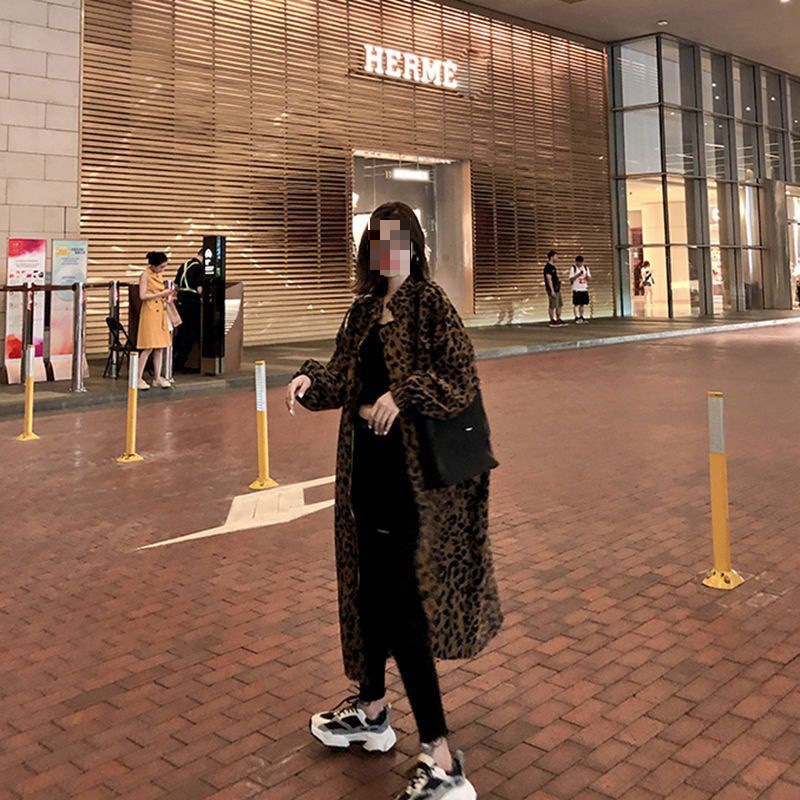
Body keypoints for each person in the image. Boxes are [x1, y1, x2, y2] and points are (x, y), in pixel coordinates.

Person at [286, 201, 502, 800]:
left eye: (396, 240)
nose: (386, 252)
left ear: (413, 246)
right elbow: (340, 377)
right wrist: (309, 381)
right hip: (364, 473)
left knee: (403, 606)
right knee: (369, 593)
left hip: (412, 482)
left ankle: (441, 758)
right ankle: (374, 710)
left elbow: (460, 378)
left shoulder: (429, 304)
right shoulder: (363, 309)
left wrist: (404, 393)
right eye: (376, 242)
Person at [136, 251, 176, 390]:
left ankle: (157, 377)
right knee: (148, 347)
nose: (162, 269)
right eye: (161, 267)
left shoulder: (159, 275)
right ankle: (138, 378)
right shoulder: (145, 275)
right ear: (153, 265)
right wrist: (161, 293)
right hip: (150, 312)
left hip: (161, 312)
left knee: (160, 347)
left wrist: (167, 296)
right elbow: (142, 295)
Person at [172, 246, 204, 372]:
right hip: (192, 303)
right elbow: (199, 289)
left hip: (181, 302)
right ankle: (181, 362)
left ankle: (172, 359)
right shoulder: (199, 268)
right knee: (191, 333)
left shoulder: (184, 265)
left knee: (181, 332)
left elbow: (175, 285)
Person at [544, 249, 566, 327]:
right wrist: (552, 290)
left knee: (559, 304)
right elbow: (549, 279)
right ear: (551, 257)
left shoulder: (553, 267)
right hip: (552, 289)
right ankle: (552, 320)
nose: (557, 258)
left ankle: (558, 319)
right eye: (556, 256)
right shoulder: (548, 267)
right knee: (552, 305)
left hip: (557, 288)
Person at [569, 255, 592, 323]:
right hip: (576, 288)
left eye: (581, 262)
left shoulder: (586, 268)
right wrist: (578, 275)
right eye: (578, 262)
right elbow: (571, 279)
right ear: (576, 262)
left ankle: (581, 316)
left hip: (584, 288)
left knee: (582, 304)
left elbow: (589, 278)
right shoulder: (573, 268)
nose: (580, 264)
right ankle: (576, 317)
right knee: (576, 304)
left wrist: (587, 276)